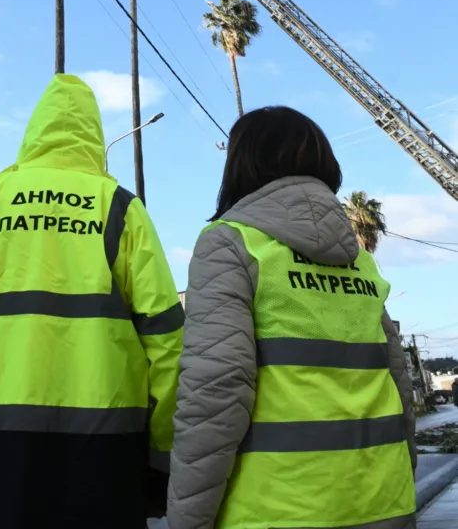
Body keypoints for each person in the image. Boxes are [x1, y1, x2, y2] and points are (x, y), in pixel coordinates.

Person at [0, 74, 184, 528]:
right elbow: (168, 347)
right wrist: (160, 467)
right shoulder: (120, 209)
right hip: (104, 460)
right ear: (92, 132)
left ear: (35, 130)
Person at [168, 105, 416, 529]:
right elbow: (399, 382)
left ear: (241, 165)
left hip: (275, 505)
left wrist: (189, 519)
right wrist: (404, 472)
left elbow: (216, 389)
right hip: (384, 499)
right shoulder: (360, 263)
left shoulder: (230, 244)